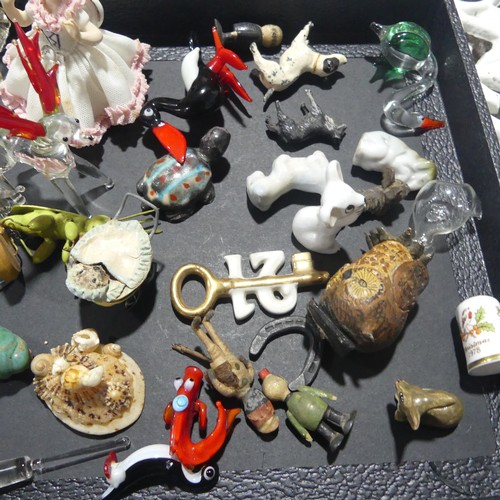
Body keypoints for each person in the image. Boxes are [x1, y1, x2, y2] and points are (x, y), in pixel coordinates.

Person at [0, 0, 150, 146]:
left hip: (74, 57)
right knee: (43, 90)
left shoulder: (72, 10)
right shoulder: (35, 6)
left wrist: (79, 35)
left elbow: (96, 35)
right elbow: (23, 20)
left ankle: (80, 122)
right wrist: (9, 7)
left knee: (78, 89)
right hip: (46, 56)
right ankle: (50, 120)